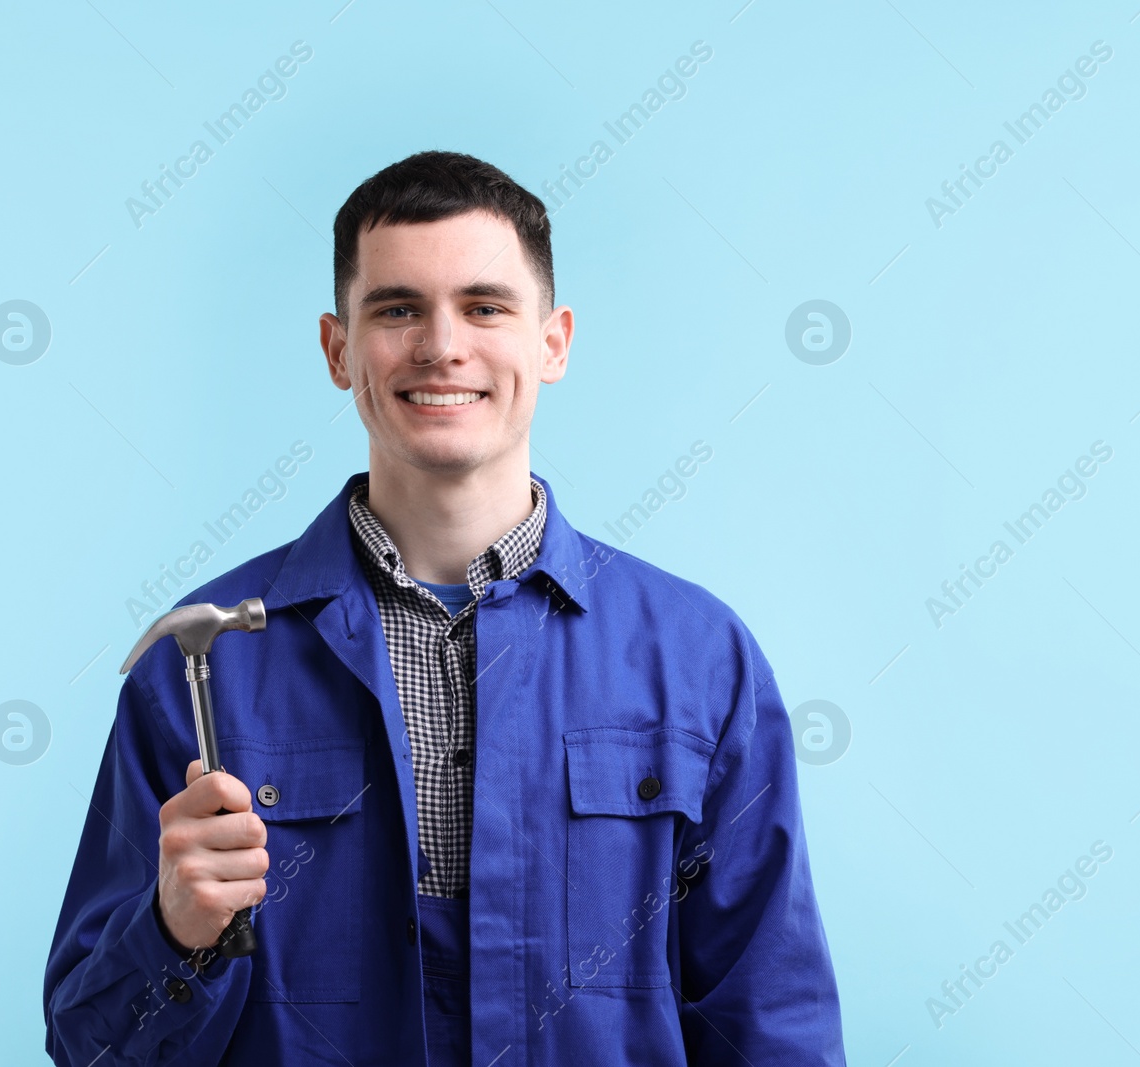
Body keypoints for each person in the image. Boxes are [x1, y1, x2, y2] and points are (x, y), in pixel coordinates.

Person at [43, 150, 846, 1065]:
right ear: (338, 349)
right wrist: (173, 930)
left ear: (553, 341)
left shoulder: (700, 658)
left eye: (485, 306)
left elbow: (771, 1022)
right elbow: (88, 1046)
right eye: (396, 309)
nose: (441, 345)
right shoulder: (201, 666)